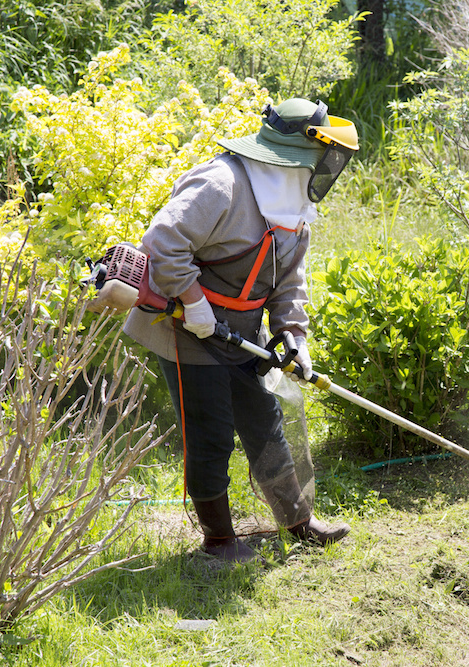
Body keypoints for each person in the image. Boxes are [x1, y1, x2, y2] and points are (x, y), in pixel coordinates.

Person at [123, 98, 358, 563]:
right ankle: (219, 542)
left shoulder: (293, 202)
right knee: (210, 434)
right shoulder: (221, 184)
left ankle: (297, 521)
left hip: (244, 333)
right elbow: (162, 242)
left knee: (265, 423)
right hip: (188, 327)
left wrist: (294, 334)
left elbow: (289, 279)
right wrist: (193, 301)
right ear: (298, 151)